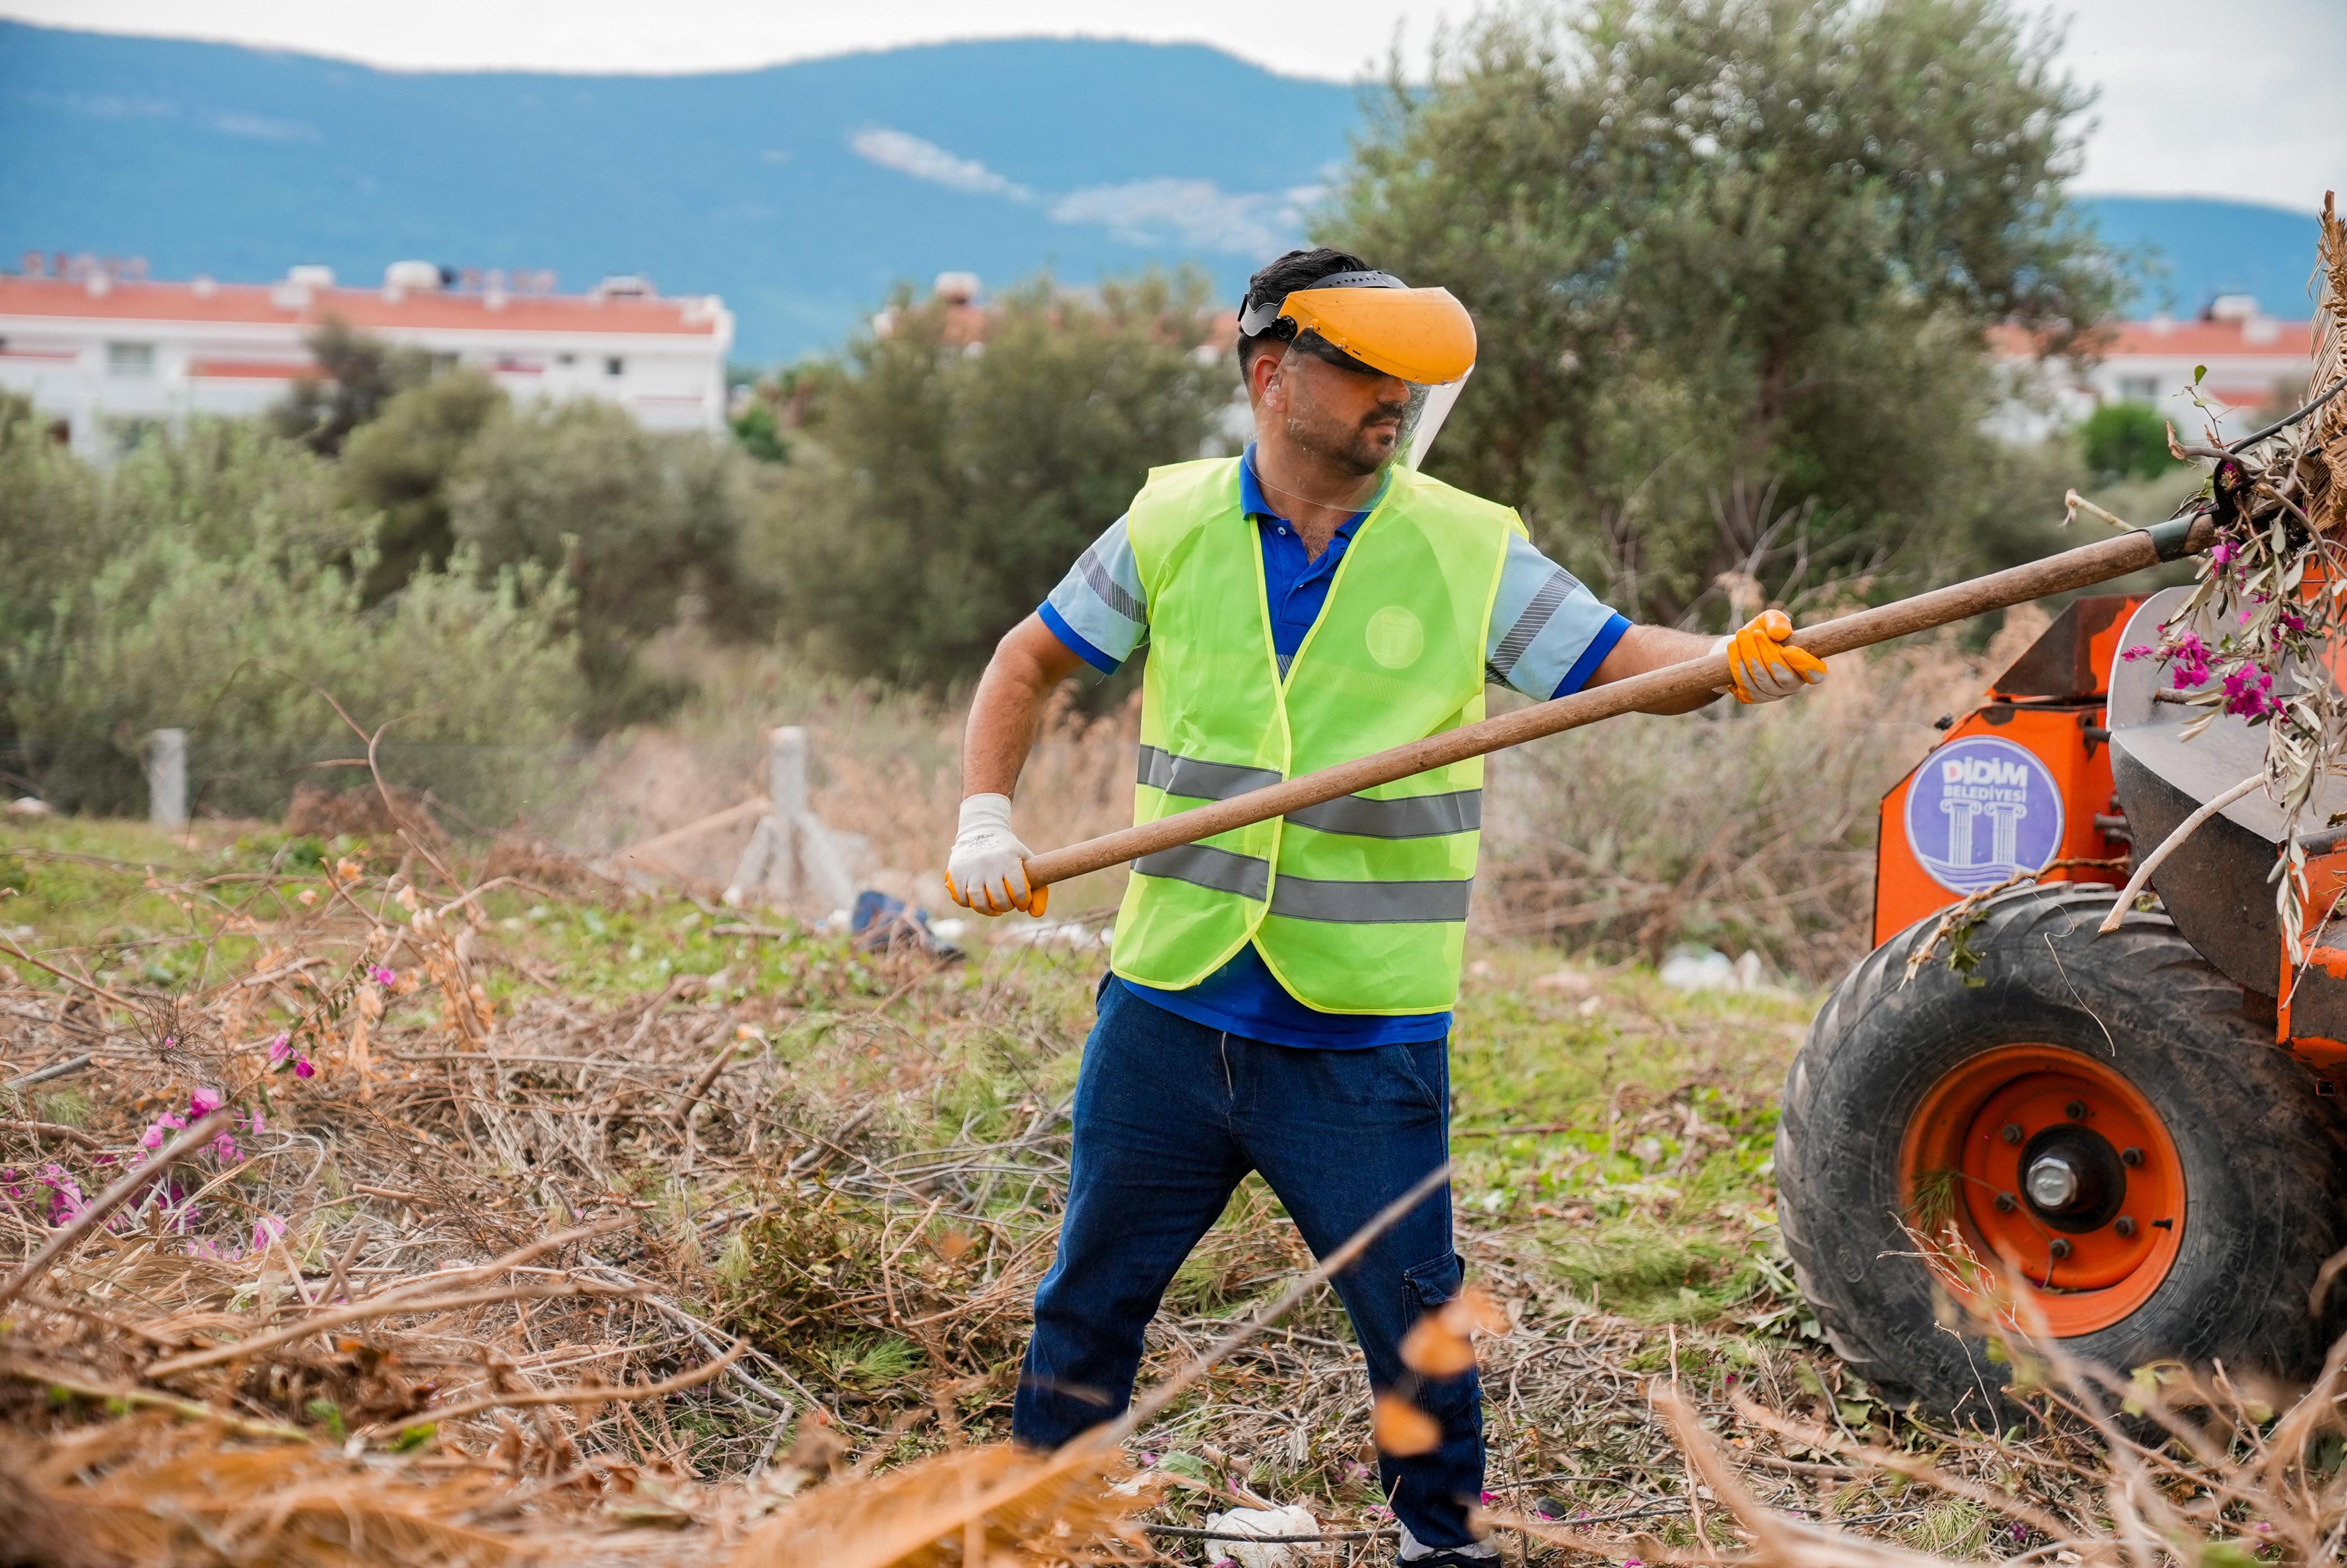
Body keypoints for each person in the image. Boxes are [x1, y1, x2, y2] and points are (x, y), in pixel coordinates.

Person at [944, 248, 1825, 1564]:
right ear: (1270, 375)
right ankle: (1040, 1516)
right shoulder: (1170, 522)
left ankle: (1441, 1543)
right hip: (1171, 1005)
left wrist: (1719, 664)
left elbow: (1615, 661)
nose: (1393, 396)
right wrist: (984, 817)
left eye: (1406, 376)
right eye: (1362, 368)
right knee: (1089, 1298)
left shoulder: (1465, 545)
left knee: (1417, 1320)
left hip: (1359, 1033)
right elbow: (1028, 659)